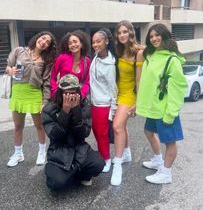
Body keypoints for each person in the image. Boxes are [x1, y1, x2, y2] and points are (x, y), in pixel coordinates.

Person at [136, 23, 187, 184]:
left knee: (170, 142)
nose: (154, 39)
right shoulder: (151, 55)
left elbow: (178, 88)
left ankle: (166, 173)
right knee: (148, 132)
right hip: (152, 107)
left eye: (157, 35)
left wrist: (171, 112)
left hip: (165, 109)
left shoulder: (172, 59)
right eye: (151, 36)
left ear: (164, 36)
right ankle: (158, 160)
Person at [41, 74, 105, 191]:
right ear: (60, 93)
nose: (70, 96)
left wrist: (76, 111)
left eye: (73, 93)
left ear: (78, 93)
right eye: (66, 93)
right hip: (59, 150)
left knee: (99, 164)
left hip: (79, 148)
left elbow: (84, 134)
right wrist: (64, 112)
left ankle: (78, 174)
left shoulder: (84, 106)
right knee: (56, 185)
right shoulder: (49, 109)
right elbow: (54, 136)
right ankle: (65, 173)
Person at [5, 31, 57, 167]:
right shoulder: (19, 50)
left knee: (39, 126)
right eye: (43, 38)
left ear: (48, 47)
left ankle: (41, 152)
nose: (44, 42)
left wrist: (45, 101)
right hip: (18, 92)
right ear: (38, 37)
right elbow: (8, 65)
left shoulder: (46, 61)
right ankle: (18, 153)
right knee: (17, 126)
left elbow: (46, 82)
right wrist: (9, 70)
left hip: (35, 93)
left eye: (48, 42)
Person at [111, 20, 144, 186]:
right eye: (119, 32)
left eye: (125, 31)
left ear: (131, 33)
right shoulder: (118, 51)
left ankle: (117, 164)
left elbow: (139, 80)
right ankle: (127, 153)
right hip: (117, 93)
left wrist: (137, 102)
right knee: (122, 127)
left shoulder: (138, 52)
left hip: (129, 95)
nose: (122, 35)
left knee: (117, 126)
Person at [90, 28, 117, 173]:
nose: (95, 44)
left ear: (106, 42)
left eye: (98, 41)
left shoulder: (110, 65)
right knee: (96, 132)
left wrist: (112, 111)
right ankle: (103, 156)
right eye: (93, 42)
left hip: (103, 105)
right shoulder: (95, 57)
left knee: (102, 134)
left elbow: (113, 89)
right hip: (93, 103)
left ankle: (107, 159)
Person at [50, 30, 91, 100]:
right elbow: (52, 77)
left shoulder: (87, 61)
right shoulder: (62, 58)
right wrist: (55, 92)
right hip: (61, 98)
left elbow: (87, 82)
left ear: (81, 44)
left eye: (75, 42)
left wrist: (82, 95)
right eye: (70, 43)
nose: (73, 45)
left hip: (77, 99)